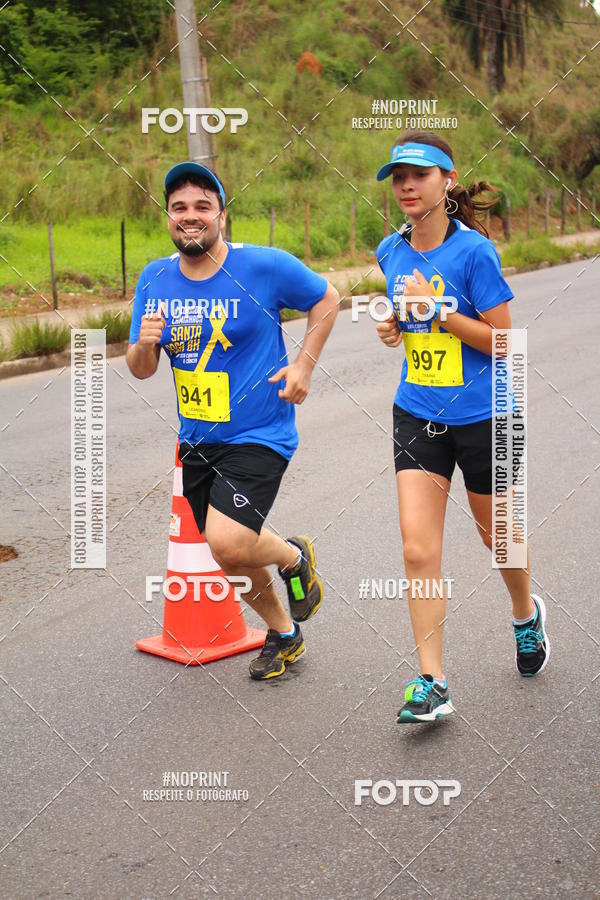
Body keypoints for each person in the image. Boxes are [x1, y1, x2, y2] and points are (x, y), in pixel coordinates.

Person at [127, 161, 339, 679]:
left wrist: (303, 365)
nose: (190, 216)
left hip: (259, 432)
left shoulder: (261, 267)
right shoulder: (154, 277)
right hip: (198, 437)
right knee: (230, 557)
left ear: (221, 213)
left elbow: (327, 298)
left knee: (228, 540)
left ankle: (291, 556)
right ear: (168, 217)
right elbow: (140, 368)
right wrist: (145, 342)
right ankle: (284, 633)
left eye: (203, 206)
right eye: (180, 208)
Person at [374, 133, 550, 724]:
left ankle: (525, 616)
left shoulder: (474, 253)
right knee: (418, 548)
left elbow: (505, 342)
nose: (405, 186)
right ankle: (433, 681)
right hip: (418, 412)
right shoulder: (389, 251)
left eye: (418, 175)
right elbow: (408, 315)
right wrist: (398, 326)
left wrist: (440, 314)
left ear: (447, 181)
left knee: (497, 537)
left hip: (488, 416)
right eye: (397, 176)